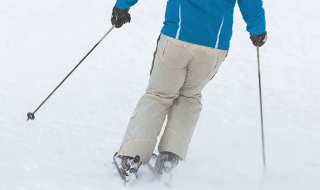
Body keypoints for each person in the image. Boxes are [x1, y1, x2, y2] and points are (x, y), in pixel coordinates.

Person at [111, 0, 267, 181]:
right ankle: (169, 158)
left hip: (177, 36)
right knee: (189, 97)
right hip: (213, 46)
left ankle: (131, 157)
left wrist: (122, 7)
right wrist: (258, 30)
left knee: (159, 95)